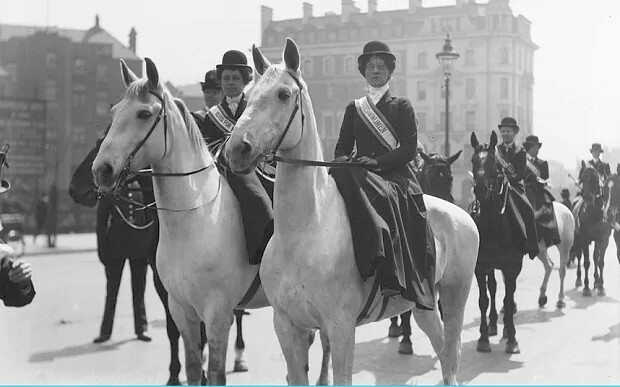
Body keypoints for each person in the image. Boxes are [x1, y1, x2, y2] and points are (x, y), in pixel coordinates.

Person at [330, 40, 436, 309]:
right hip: (359, 172)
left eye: (380, 66)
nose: (375, 70)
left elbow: (409, 149)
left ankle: (389, 271)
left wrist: (376, 163)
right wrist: (344, 163)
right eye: (370, 66)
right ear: (363, 71)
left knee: (382, 196)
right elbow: (342, 147)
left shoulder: (402, 106)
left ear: (390, 72)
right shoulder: (354, 108)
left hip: (394, 175)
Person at [201, 49, 274, 265]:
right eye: (226, 79)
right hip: (221, 173)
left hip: (255, 169)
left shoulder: (254, 109)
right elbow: (206, 148)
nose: (230, 83)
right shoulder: (212, 116)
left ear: (244, 82)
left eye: (235, 78)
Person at [93, 175, 154, 344]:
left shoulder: (139, 186)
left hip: (139, 246)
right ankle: (105, 332)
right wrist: (102, 251)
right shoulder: (109, 188)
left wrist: (148, 245)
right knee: (112, 292)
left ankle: (141, 328)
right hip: (115, 247)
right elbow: (101, 223)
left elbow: (148, 217)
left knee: (139, 290)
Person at [496, 117, 540, 259]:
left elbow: (520, 173)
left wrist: (509, 179)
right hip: (497, 186)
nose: (505, 134)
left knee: (527, 208)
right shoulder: (496, 150)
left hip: (515, 186)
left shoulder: (520, 151)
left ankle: (532, 245)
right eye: (503, 131)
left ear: (514, 133)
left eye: (508, 131)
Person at [522, 135, 561, 248]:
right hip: (525, 189)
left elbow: (545, 177)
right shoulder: (523, 162)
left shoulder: (543, 163)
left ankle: (550, 235)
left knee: (548, 207)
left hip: (539, 191)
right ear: (529, 148)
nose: (537, 150)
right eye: (534, 147)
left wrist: (542, 181)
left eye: (538, 147)